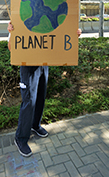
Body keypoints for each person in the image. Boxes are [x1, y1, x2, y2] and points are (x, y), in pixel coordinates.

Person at [8, 21, 81, 157]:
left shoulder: (45, 22)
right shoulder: (20, 22)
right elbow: (12, 48)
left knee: (40, 98)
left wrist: (72, 34)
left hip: (43, 65)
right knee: (29, 102)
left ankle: (35, 125)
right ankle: (21, 138)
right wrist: (12, 32)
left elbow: (58, 39)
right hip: (28, 66)